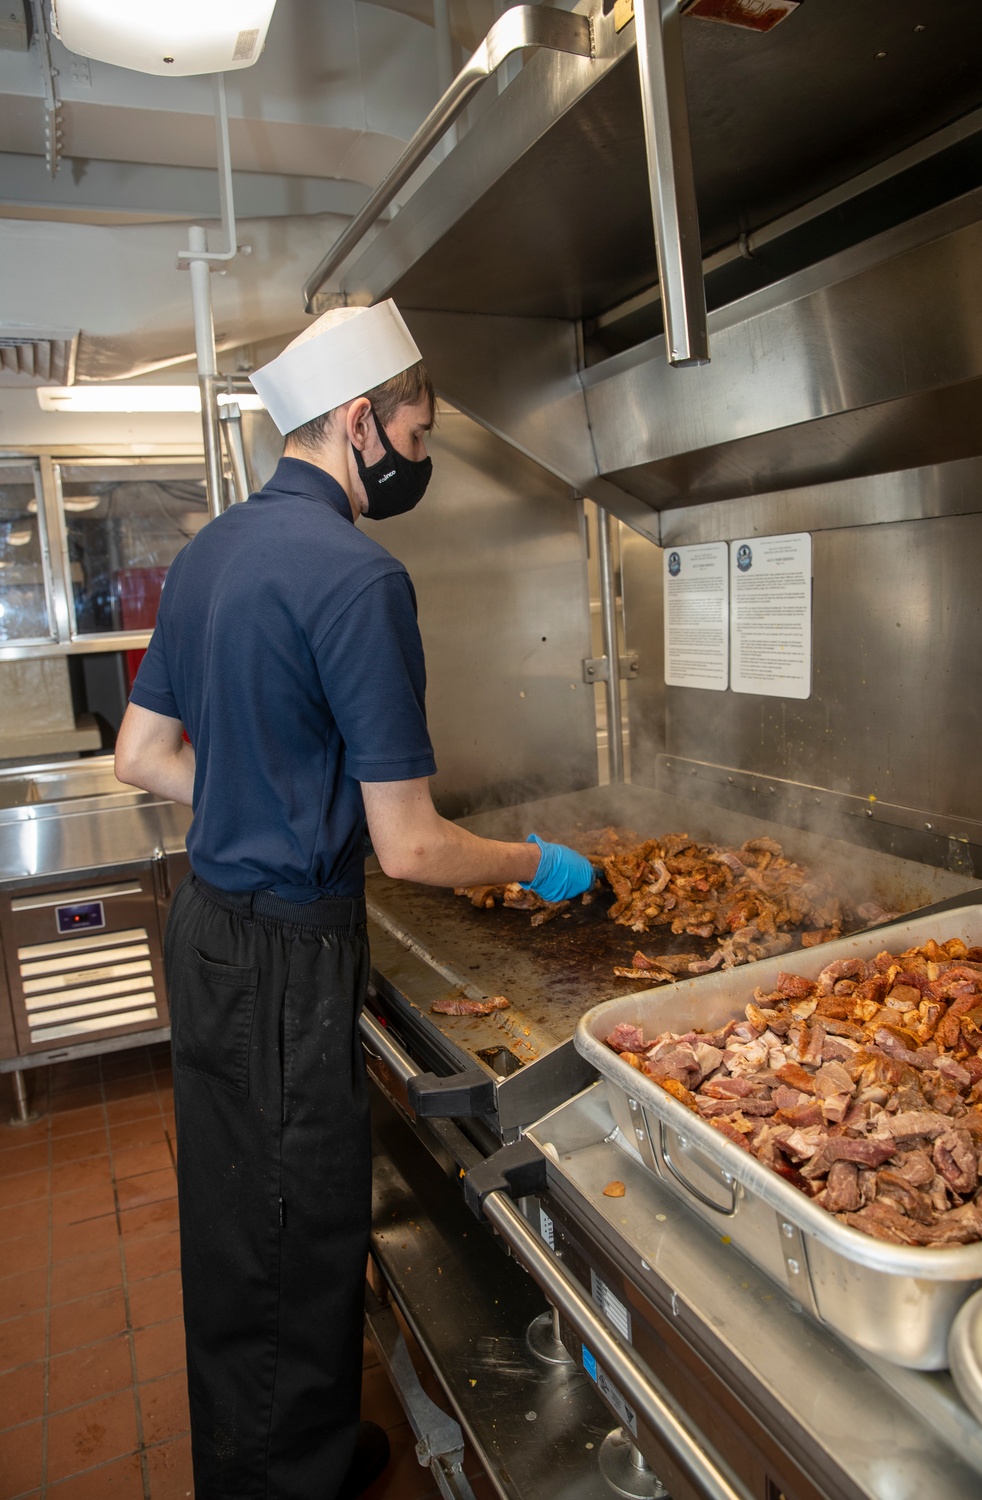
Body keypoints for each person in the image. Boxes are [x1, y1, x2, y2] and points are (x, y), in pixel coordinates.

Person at [114, 301, 595, 1500]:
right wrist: (537, 863)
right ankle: (288, 1482)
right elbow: (416, 848)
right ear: (358, 421)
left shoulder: (212, 551)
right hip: (285, 955)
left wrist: (258, 806)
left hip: (211, 932)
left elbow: (142, 753)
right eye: (418, 436)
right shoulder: (358, 578)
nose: (418, 460)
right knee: (297, 1226)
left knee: (241, 1222)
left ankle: (293, 1450)